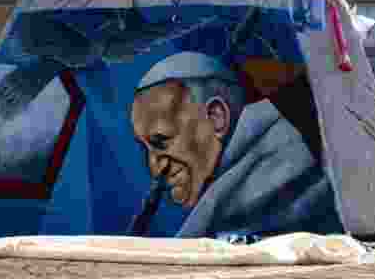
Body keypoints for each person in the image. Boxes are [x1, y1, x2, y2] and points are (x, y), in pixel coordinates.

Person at [130, 51, 342, 238]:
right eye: (145, 148)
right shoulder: (221, 205)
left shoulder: (293, 165)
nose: (155, 168)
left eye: (162, 141)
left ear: (216, 117)